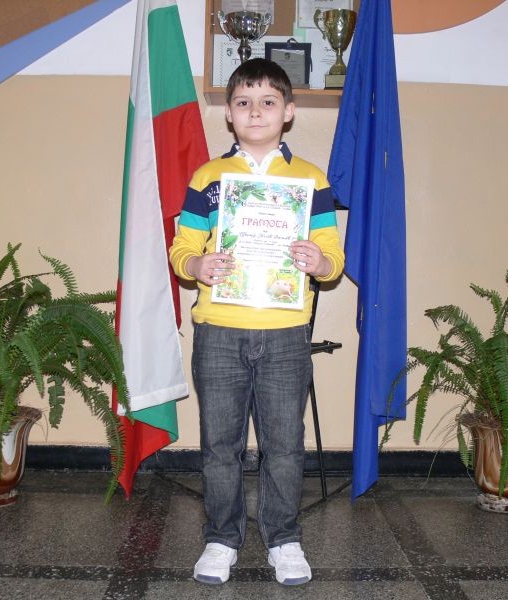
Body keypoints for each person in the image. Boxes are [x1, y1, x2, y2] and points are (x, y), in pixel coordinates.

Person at [169, 58, 344, 586]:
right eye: (243, 102)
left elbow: (333, 256)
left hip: (286, 333)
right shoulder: (208, 178)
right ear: (229, 113)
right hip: (219, 331)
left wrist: (320, 262)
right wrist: (197, 266)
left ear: (288, 112)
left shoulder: (311, 180)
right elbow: (182, 247)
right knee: (220, 444)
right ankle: (221, 539)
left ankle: (284, 539)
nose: (256, 111)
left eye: (268, 102)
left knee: (284, 445)